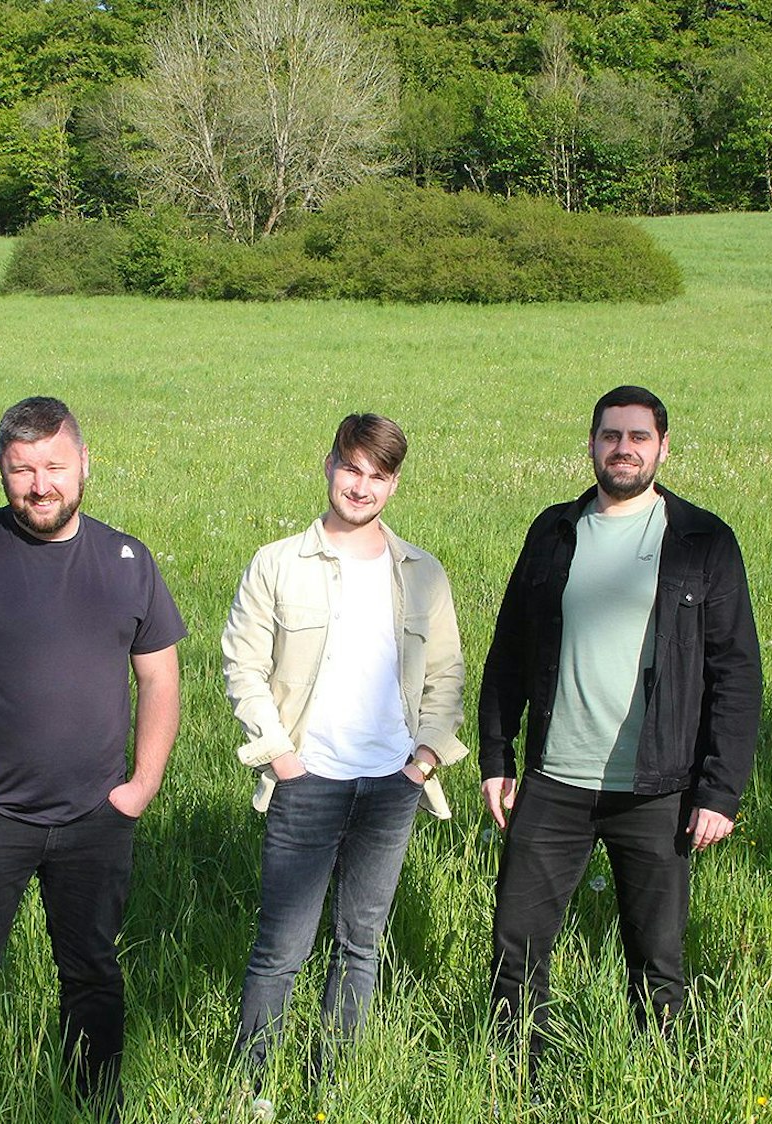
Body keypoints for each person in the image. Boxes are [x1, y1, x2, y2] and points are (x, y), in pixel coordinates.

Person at [0, 396, 185, 1114]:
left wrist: (141, 785)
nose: (39, 483)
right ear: (0, 471)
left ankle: (92, 1105)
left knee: (93, 972)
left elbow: (160, 674)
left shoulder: (126, 558)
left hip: (95, 816)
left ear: (84, 464)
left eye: (53, 465)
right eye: (22, 469)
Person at [480, 385, 761, 1063]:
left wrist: (719, 792)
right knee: (515, 951)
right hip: (554, 782)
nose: (623, 449)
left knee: (658, 960)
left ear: (662, 446)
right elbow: (509, 650)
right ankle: (514, 1083)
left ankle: (659, 1081)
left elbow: (736, 673)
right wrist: (496, 756)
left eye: (638, 437)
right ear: (591, 444)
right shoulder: (553, 531)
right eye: (610, 435)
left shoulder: (702, 539)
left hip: (657, 786)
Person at [220, 413, 468, 1080]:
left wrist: (422, 761)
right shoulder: (277, 564)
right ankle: (252, 1087)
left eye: (377, 476)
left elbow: (446, 674)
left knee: (361, 945)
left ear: (393, 484)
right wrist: (279, 755)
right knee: (280, 949)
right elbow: (241, 666)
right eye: (351, 468)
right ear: (328, 465)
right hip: (307, 779)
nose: (361, 486)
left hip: (392, 784)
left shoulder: (421, 572)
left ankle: (332, 1083)